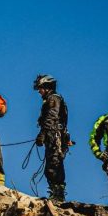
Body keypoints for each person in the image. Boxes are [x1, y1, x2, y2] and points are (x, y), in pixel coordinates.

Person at [33, 74, 71, 202]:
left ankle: (58, 195)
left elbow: (51, 117)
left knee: (54, 165)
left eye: (40, 88)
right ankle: (56, 193)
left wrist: (42, 134)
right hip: (53, 136)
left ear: (47, 87)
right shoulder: (52, 99)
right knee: (52, 165)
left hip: (54, 136)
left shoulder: (53, 99)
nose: (39, 91)